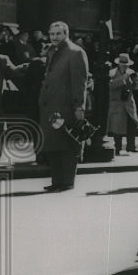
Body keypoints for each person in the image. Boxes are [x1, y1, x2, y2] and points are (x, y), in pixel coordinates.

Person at [38, 21, 90, 192]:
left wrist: (79, 107)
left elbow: (79, 82)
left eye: (58, 34)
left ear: (66, 34)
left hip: (66, 107)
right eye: (52, 34)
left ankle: (67, 181)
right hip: (51, 108)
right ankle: (56, 181)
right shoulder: (52, 51)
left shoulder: (75, 52)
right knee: (53, 146)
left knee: (67, 145)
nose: (54, 37)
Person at [107, 53, 138, 155]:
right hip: (117, 104)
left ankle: (131, 146)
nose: (125, 66)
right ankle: (117, 148)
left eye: (126, 64)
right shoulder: (112, 73)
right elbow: (110, 85)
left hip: (129, 103)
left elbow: (137, 87)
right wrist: (123, 78)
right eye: (122, 64)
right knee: (117, 128)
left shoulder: (131, 72)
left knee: (132, 125)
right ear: (118, 64)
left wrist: (136, 80)